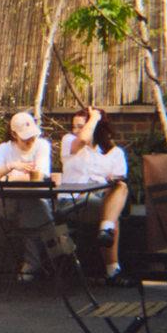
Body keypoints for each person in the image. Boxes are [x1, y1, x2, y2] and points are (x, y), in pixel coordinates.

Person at [0, 112, 54, 280]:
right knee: (31, 202)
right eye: (25, 137)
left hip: (33, 202)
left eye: (33, 136)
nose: (31, 140)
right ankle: (55, 235)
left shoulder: (42, 145)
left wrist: (7, 179)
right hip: (7, 205)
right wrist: (10, 166)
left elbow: (38, 178)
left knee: (29, 203)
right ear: (14, 134)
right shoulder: (5, 149)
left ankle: (30, 264)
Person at [60, 106, 128, 282]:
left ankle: (105, 230)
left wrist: (111, 180)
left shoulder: (115, 153)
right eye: (74, 126)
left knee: (120, 187)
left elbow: (119, 179)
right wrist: (94, 117)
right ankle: (113, 270)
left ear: (95, 127)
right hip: (72, 202)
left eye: (80, 126)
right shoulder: (70, 142)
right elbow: (82, 139)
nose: (75, 131)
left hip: (99, 200)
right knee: (112, 217)